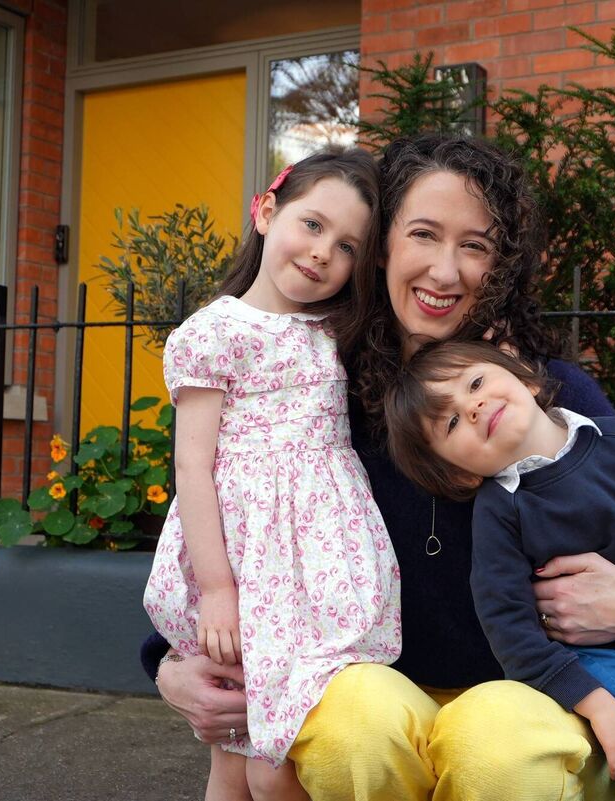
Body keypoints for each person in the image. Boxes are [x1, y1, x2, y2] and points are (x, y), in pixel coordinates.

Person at [145, 134, 615, 800]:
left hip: (533, 705)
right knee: (345, 722)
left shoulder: (548, 396)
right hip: (383, 708)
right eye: (424, 234)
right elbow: (232, 508)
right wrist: (170, 663)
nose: (445, 273)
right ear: (384, 244)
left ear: (500, 264)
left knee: (493, 745)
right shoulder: (320, 386)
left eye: (474, 245)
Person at [384, 340, 615, 800]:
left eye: (476, 382)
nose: (475, 406)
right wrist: (597, 703)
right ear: (456, 472)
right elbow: (510, 629)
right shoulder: (501, 510)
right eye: (453, 421)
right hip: (592, 662)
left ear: (527, 377)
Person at [143, 148, 401, 801]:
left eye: (346, 246)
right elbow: (193, 468)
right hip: (247, 560)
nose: (322, 253)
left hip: (319, 569)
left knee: (284, 761)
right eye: (311, 225)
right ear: (265, 211)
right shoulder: (216, 330)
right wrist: (219, 589)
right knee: (233, 762)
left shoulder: (339, 331)